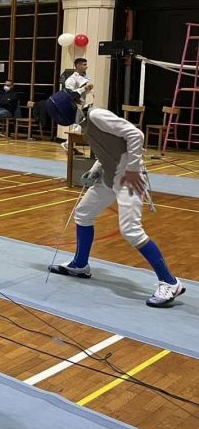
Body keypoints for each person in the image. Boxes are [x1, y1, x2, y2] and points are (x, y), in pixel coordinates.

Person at [45, 89, 185, 307]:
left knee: (131, 230)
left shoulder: (96, 115)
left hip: (129, 177)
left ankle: (170, 282)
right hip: (110, 175)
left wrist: (132, 169)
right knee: (83, 213)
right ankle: (80, 265)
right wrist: (96, 169)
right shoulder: (84, 123)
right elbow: (108, 148)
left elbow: (136, 135)